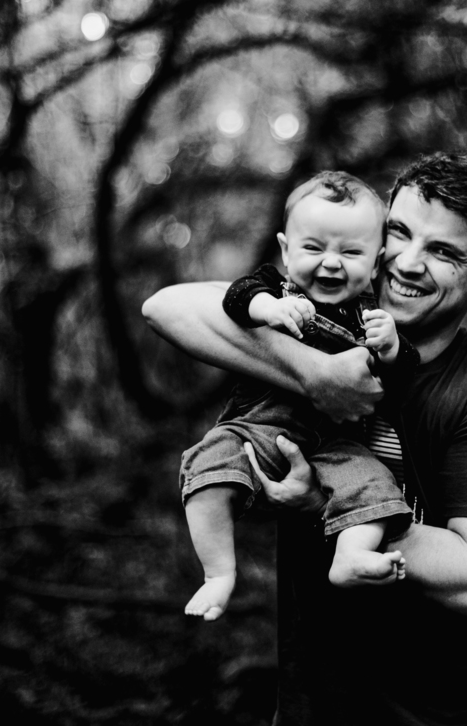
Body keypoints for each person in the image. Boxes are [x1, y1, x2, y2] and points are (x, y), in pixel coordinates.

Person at [142, 153, 467, 726]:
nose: (407, 264)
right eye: (400, 234)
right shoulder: (315, 323)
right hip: (315, 706)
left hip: (441, 714)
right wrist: (313, 372)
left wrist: (323, 506)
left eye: (444, 252)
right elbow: (167, 307)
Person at [178, 171, 419, 622]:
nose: (331, 263)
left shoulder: (371, 312)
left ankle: (350, 556)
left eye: (351, 252)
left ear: (377, 261)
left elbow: (404, 373)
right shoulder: (275, 288)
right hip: (258, 425)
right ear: (287, 250)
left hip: (336, 442)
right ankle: (218, 573)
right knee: (207, 468)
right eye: (313, 248)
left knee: (372, 486)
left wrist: (391, 346)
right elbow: (237, 297)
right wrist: (268, 308)